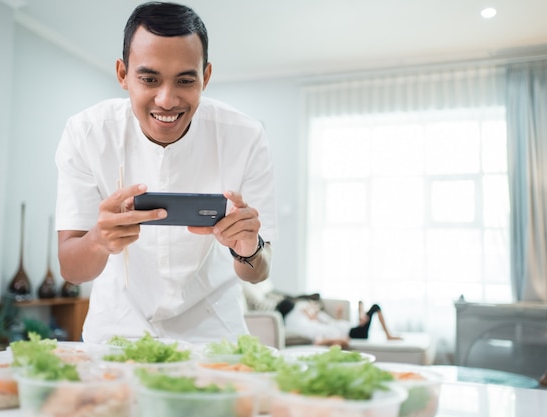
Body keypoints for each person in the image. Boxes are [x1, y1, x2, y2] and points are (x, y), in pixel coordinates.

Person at [54, 2, 277, 344]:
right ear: (122, 74)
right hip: (117, 326)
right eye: (149, 79)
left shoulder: (245, 136)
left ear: (205, 77)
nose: (167, 100)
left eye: (185, 80)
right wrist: (98, 239)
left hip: (213, 328)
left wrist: (247, 248)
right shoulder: (86, 133)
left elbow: (258, 272)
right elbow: (70, 268)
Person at [277, 298, 401, 349]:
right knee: (375, 306)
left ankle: (361, 315)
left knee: (362, 303)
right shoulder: (307, 324)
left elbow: (334, 324)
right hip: (355, 332)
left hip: (351, 328)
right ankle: (388, 335)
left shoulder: (316, 321)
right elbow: (320, 339)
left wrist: (338, 314)